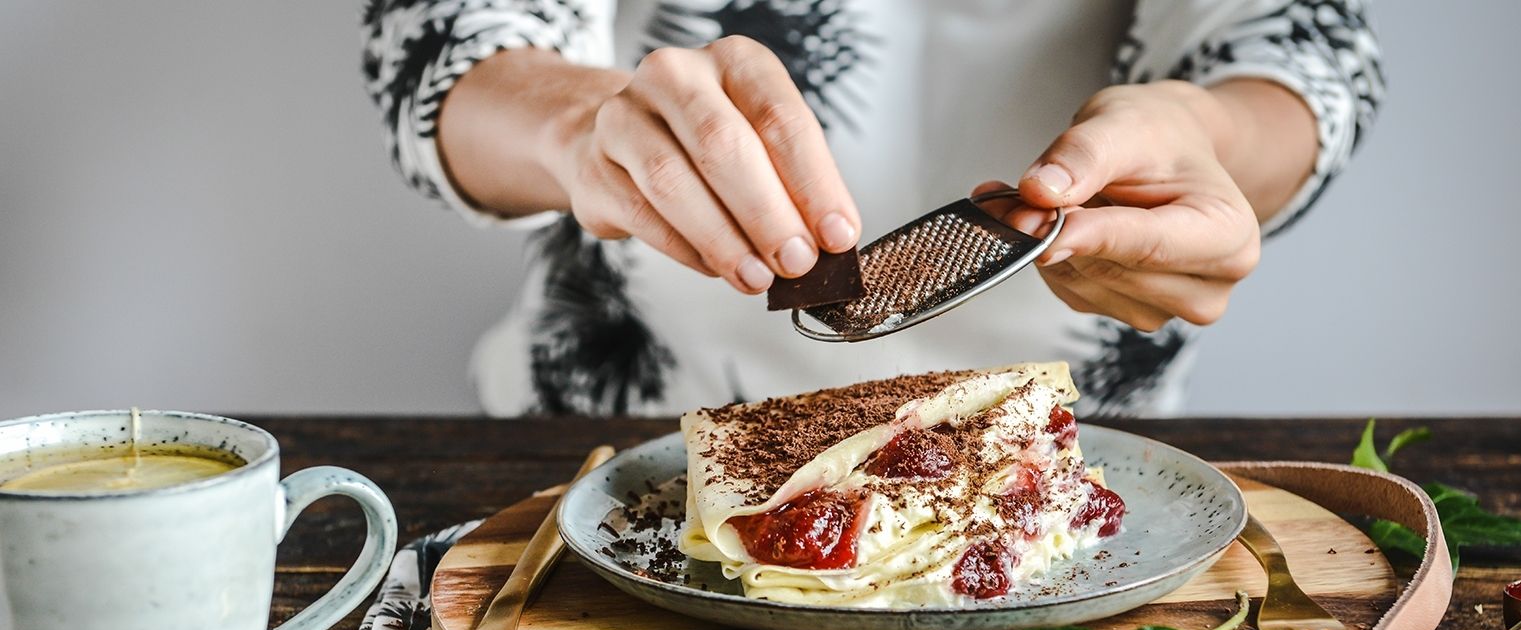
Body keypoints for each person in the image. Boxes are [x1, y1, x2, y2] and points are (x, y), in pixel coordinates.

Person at [363, 0, 1382, 416]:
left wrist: (1209, 139)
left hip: (1074, 470)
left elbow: (1296, 50)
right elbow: (443, 40)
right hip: (613, 435)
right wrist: (578, 124)